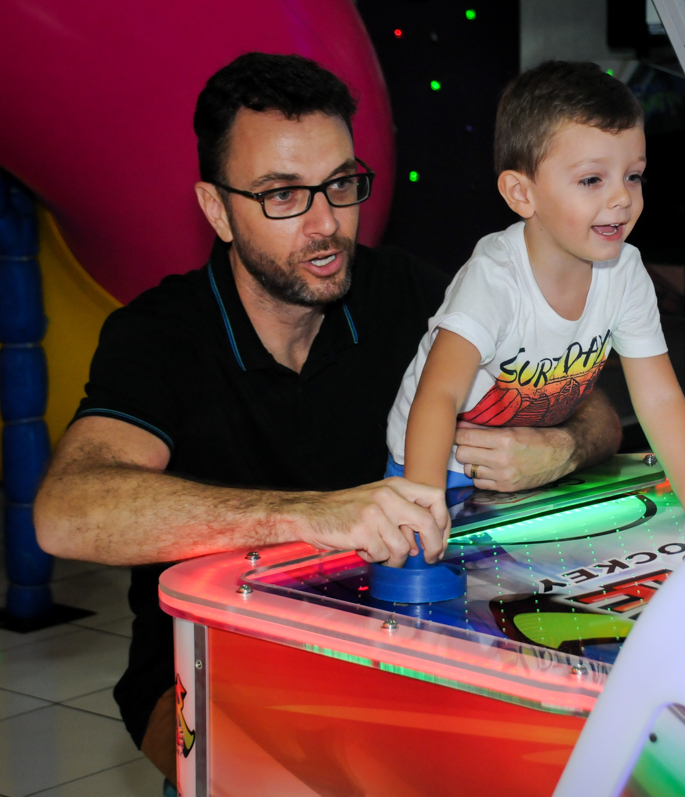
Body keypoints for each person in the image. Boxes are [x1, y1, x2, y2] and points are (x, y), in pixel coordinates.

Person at [32, 53, 621, 787]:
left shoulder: (402, 290)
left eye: (341, 184)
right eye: (283, 194)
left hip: (412, 638)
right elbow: (68, 511)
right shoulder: (161, 333)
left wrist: (559, 446)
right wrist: (317, 515)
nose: (326, 223)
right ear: (217, 209)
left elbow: (590, 402)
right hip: (213, 662)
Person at [386, 61, 685, 542]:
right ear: (521, 194)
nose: (622, 198)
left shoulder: (626, 272)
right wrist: (423, 502)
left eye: (633, 176)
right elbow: (438, 394)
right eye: (592, 180)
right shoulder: (495, 277)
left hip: (527, 460)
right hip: (433, 462)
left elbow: (657, 395)